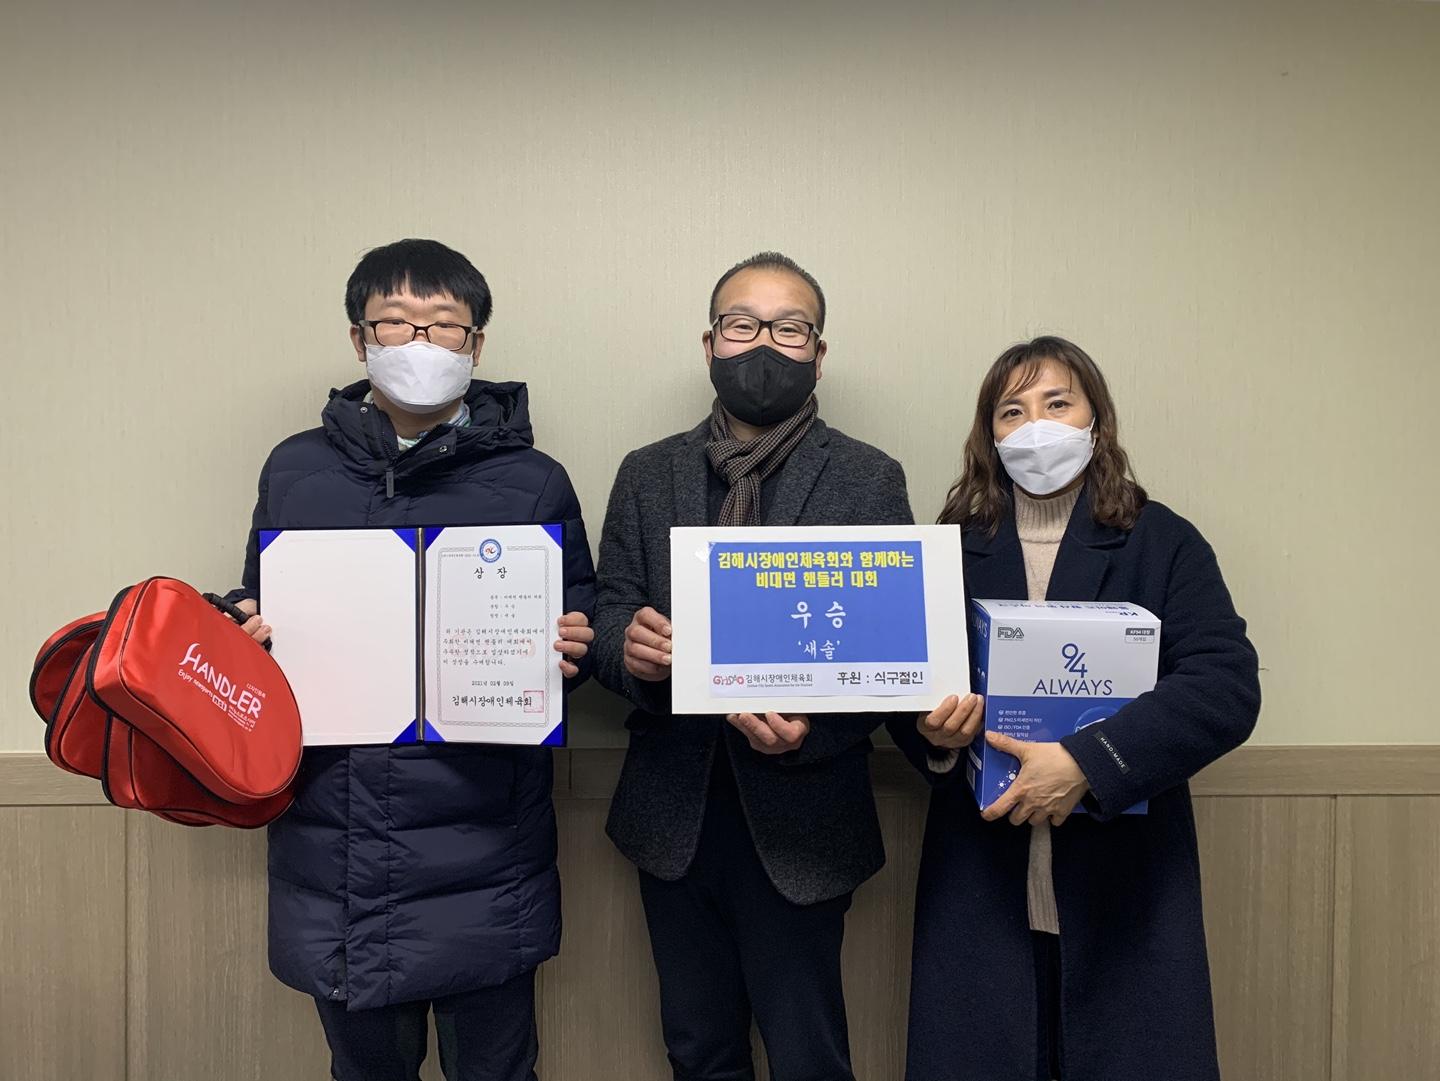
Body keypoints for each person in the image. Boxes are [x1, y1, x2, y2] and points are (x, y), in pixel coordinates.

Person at [227, 238, 597, 1081]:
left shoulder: (534, 481)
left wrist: (577, 647)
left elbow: (584, 630)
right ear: (359, 339)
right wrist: (244, 632)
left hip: (488, 846)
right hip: (336, 843)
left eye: (443, 325)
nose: (420, 343)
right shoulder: (295, 470)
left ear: (476, 344)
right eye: (395, 322)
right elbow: (260, 603)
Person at [891, 335, 1261, 1081]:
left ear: (1097, 420)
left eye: (1057, 403)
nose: (1036, 426)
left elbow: (1225, 685)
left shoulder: (1162, 541)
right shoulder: (946, 549)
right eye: (1012, 411)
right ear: (989, 436)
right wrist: (932, 734)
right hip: (980, 881)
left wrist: (1088, 762)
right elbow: (908, 688)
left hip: (1124, 883)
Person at [592, 252, 912, 1081]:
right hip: (674, 813)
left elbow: (889, 650)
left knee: (809, 1055)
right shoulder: (646, 472)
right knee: (699, 1051)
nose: (764, 344)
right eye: (742, 324)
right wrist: (630, 648)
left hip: (805, 813)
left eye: (789, 328)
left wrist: (812, 729)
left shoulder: (869, 477)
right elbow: (608, 609)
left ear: (818, 353)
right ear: (710, 343)